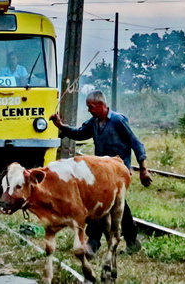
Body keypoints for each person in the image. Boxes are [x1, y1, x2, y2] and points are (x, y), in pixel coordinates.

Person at [49, 90, 151, 255]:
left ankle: (97, 243)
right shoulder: (94, 122)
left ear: (101, 105)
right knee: (111, 206)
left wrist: (143, 169)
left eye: (91, 107)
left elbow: (136, 143)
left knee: (108, 206)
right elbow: (79, 134)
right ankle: (116, 242)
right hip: (101, 173)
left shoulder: (118, 121)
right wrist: (61, 126)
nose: (89, 110)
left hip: (118, 172)